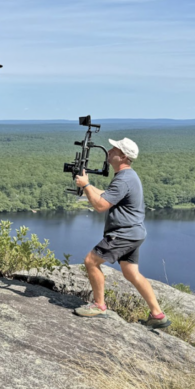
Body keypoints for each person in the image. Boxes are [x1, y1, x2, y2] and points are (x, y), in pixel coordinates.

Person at [73, 137, 171, 329]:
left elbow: (101, 205)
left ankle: (99, 305)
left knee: (91, 261)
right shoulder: (128, 176)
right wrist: (87, 185)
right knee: (131, 273)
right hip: (135, 233)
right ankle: (157, 314)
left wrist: (85, 186)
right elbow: (108, 195)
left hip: (122, 234)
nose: (109, 151)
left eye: (114, 149)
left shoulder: (124, 179)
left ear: (123, 156)